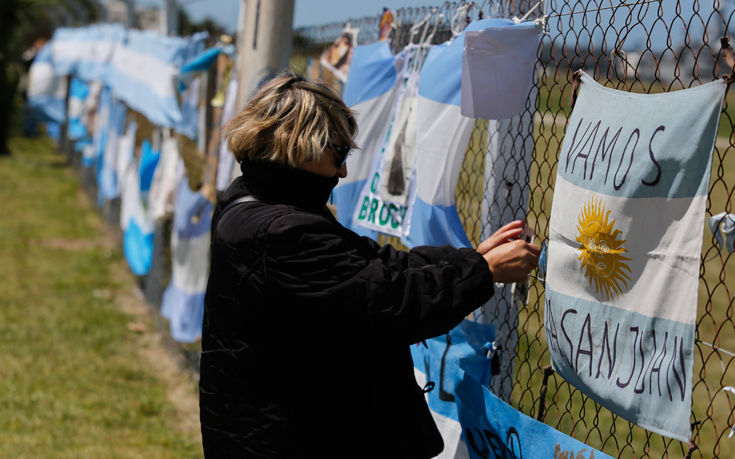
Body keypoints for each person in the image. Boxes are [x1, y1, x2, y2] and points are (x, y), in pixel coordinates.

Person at [200, 72, 540, 458]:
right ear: (302, 148)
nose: (343, 172)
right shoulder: (281, 233)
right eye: (339, 155)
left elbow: (371, 265)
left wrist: (473, 259)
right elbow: (391, 302)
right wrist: (482, 272)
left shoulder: (253, 204)